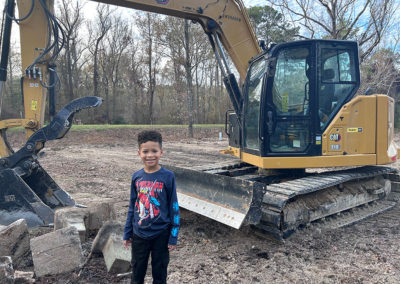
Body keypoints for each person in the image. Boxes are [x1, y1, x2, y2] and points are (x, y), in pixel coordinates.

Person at [123, 130, 180, 284]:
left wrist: (173, 235)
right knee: (137, 273)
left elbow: (174, 206)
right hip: (139, 234)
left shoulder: (168, 177)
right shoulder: (137, 177)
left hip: (161, 234)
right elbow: (132, 206)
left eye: (154, 151)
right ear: (139, 153)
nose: (150, 155)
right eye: (145, 151)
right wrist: (127, 232)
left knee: (160, 274)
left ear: (161, 152)